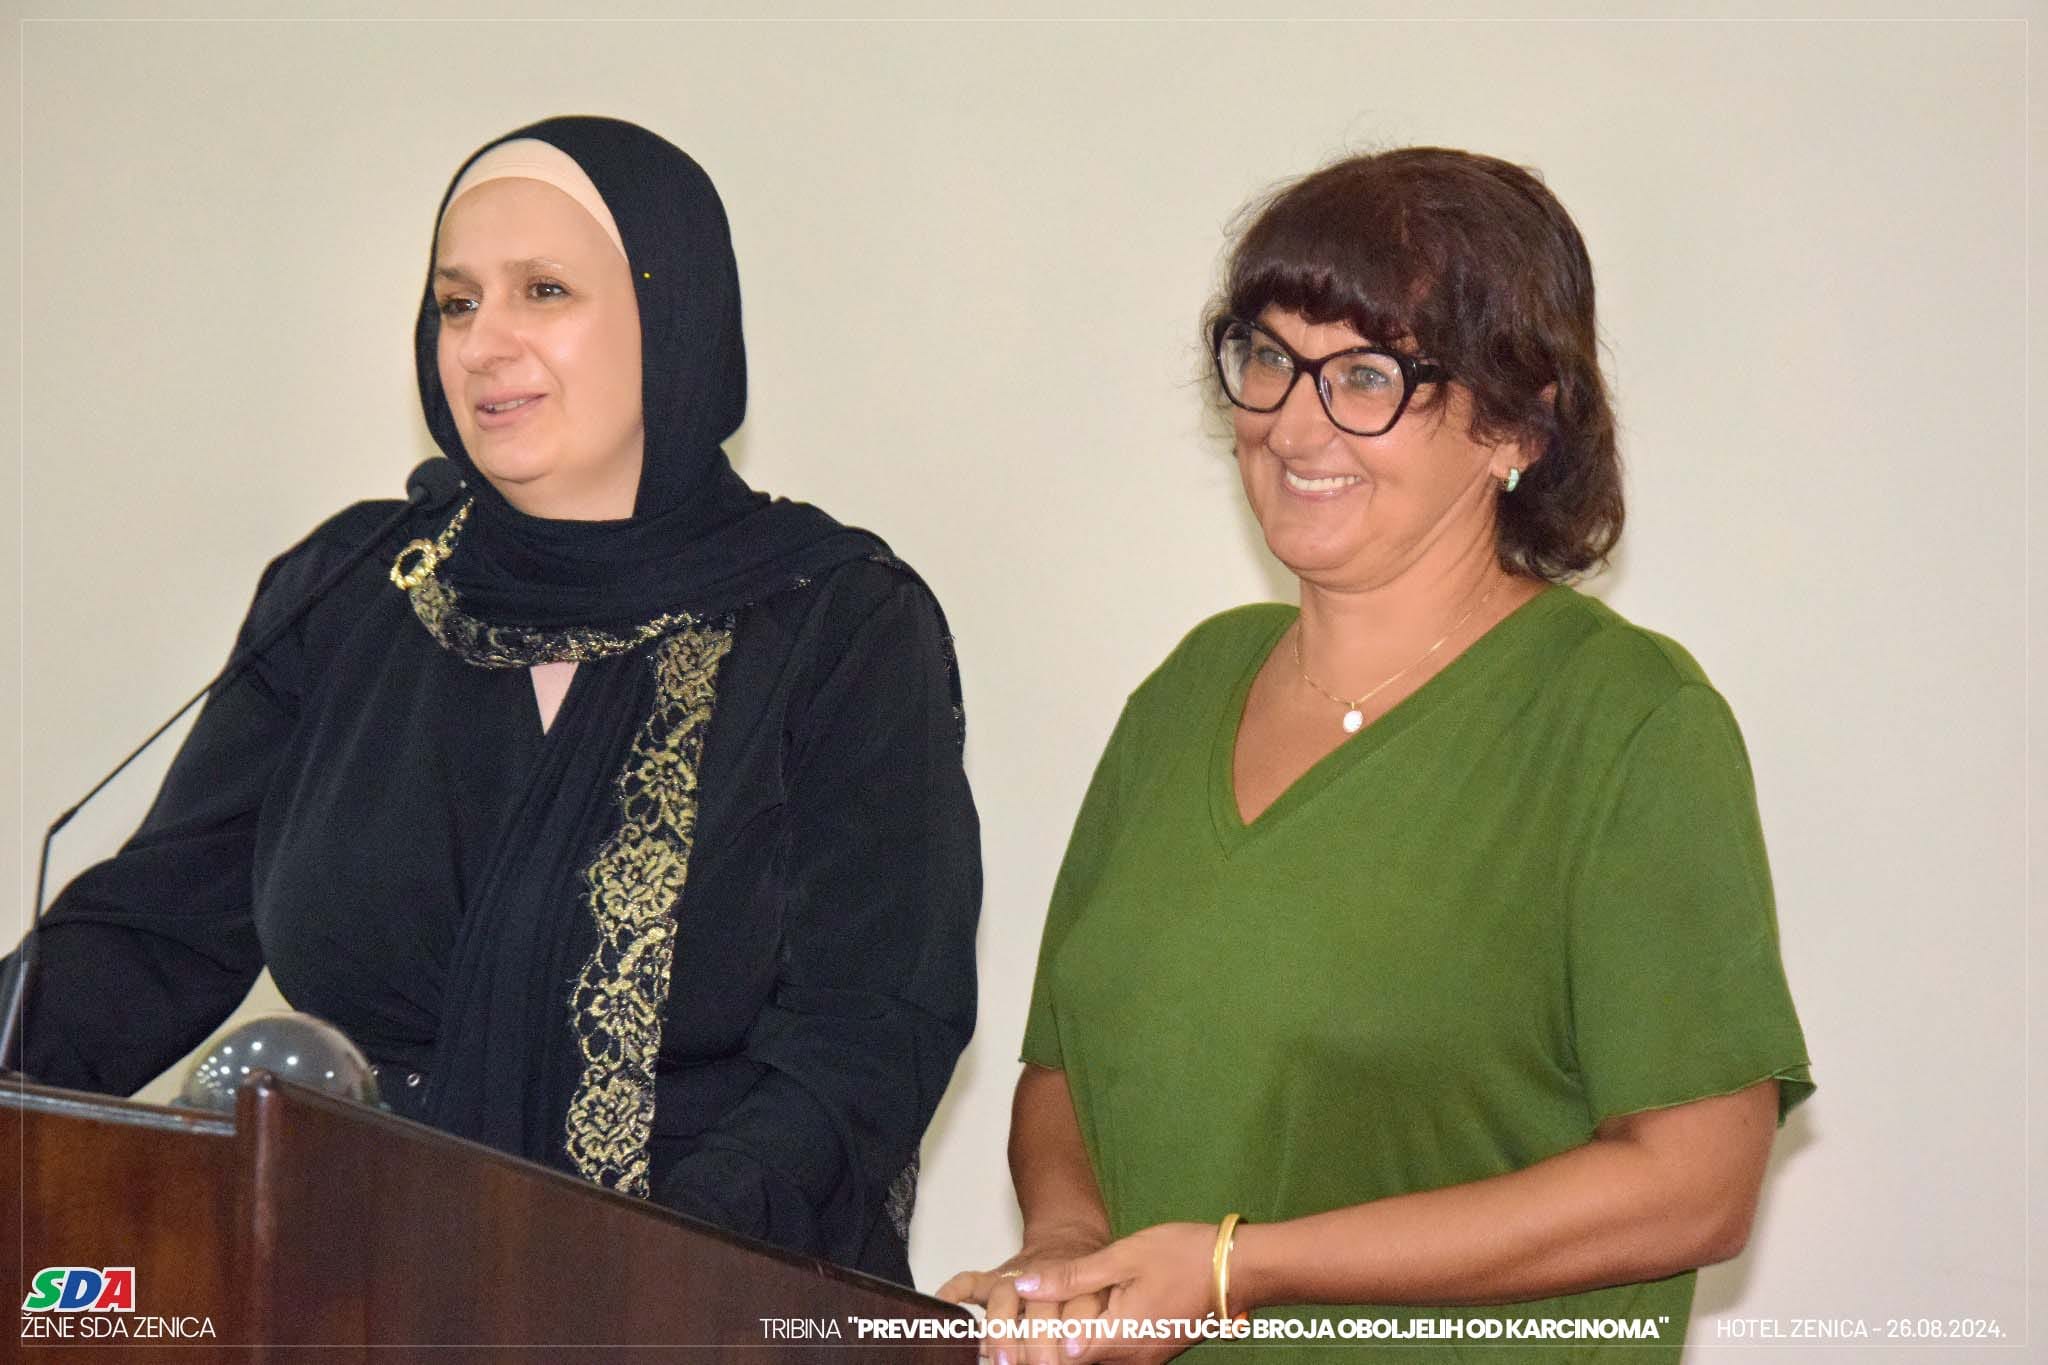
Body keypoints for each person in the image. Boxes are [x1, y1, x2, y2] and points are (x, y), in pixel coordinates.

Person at [3, 115, 980, 1286]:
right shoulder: (356, 590)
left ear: (673, 317)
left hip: (697, 1296)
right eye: (456, 303)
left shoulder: (833, 621)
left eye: (543, 291)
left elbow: (870, 1030)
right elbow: (151, 936)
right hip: (352, 1285)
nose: (482, 344)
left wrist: (631, 1267)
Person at [941, 148, 1811, 1361]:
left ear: (1516, 422)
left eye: (1366, 376)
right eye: (1267, 359)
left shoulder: (1625, 722)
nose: (1291, 423)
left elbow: (1692, 1185)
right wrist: (1066, 1249)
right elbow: (1064, 1069)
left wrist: (1241, 1267)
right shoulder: (1188, 690)